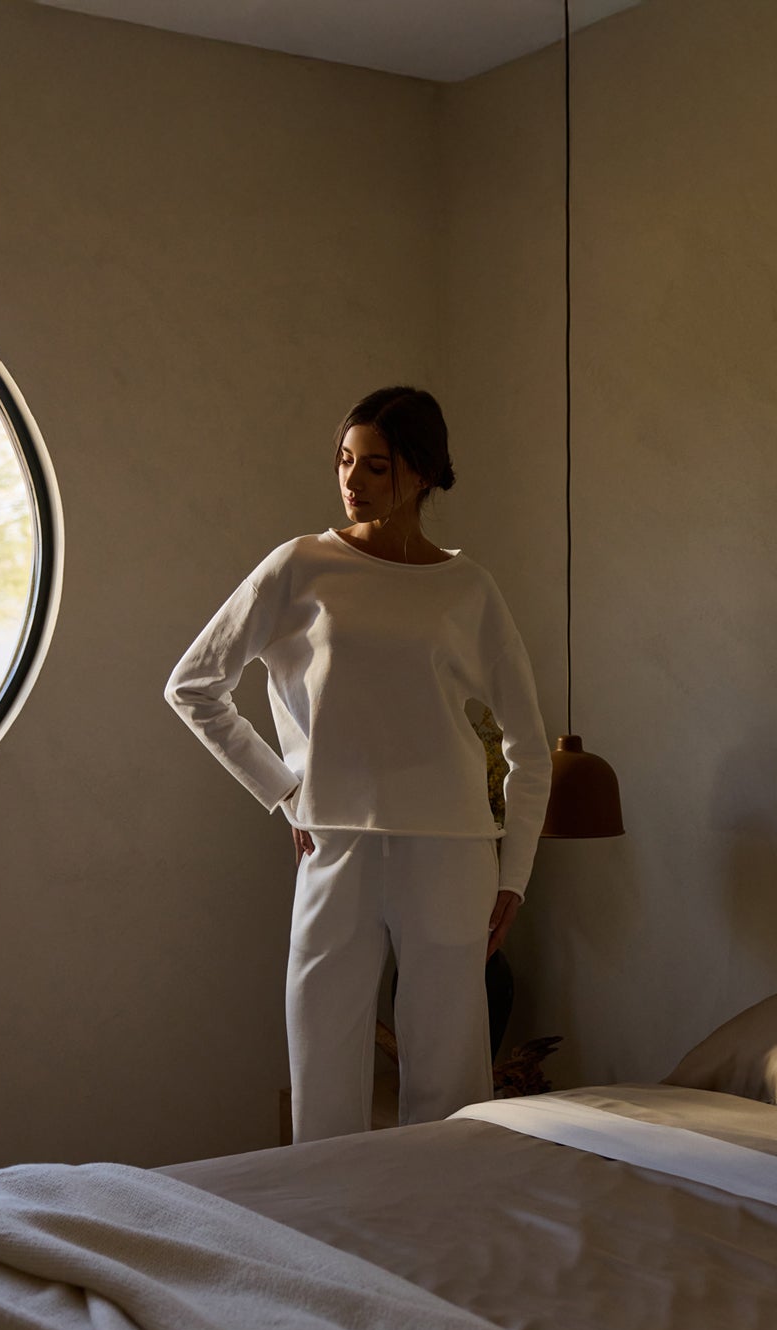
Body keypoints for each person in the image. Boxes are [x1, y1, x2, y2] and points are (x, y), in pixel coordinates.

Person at [165, 386, 552, 1141]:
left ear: (424, 474)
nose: (353, 480)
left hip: (453, 850)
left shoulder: (468, 588)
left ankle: (446, 1231)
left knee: (448, 1073)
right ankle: (324, 1237)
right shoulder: (300, 567)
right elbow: (193, 684)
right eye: (345, 461)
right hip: (333, 840)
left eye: (375, 466)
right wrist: (280, 788)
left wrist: (515, 873)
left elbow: (529, 745)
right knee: (324, 1065)